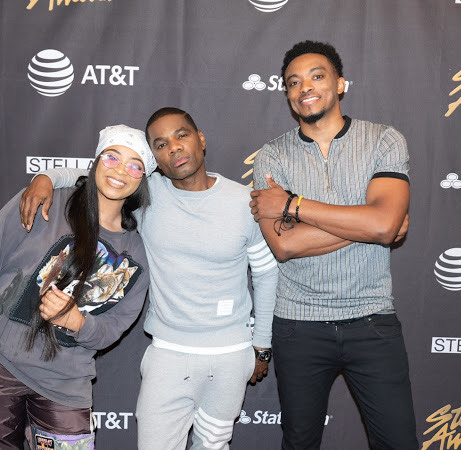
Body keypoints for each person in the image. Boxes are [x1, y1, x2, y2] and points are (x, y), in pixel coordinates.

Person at [19, 107, 278, 450]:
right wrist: (47, 178)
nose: (173, 147)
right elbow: (95, 171)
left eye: (181, 135)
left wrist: (261, 347)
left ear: (200, 140)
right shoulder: (146, 194)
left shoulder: (245, 201)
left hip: (231, 355)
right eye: (160, 144)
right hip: (168, 353)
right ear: (154, 159)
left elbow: (265, 273)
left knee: (214, 444)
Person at [249, 40, 418, 449]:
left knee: (398, 442)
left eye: (317, 76)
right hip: (298, 327)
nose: (304, 87)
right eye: (293, 82)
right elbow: (285, 246)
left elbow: (382, 225)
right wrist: (370, 221)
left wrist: (294, 204)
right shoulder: (271, 157)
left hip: (372, 319)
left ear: (340, 84)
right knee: (299, 443)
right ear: (288, 95)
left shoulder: (383, 141)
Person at [0, 125, 154, 449]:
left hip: (66, 384)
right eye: (112, 157)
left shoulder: (135, 253)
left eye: (134, 164)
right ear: (97, 160)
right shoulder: (44, 201)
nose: (119, 171)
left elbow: (114, 328)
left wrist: (77, 322)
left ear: (142, 178)